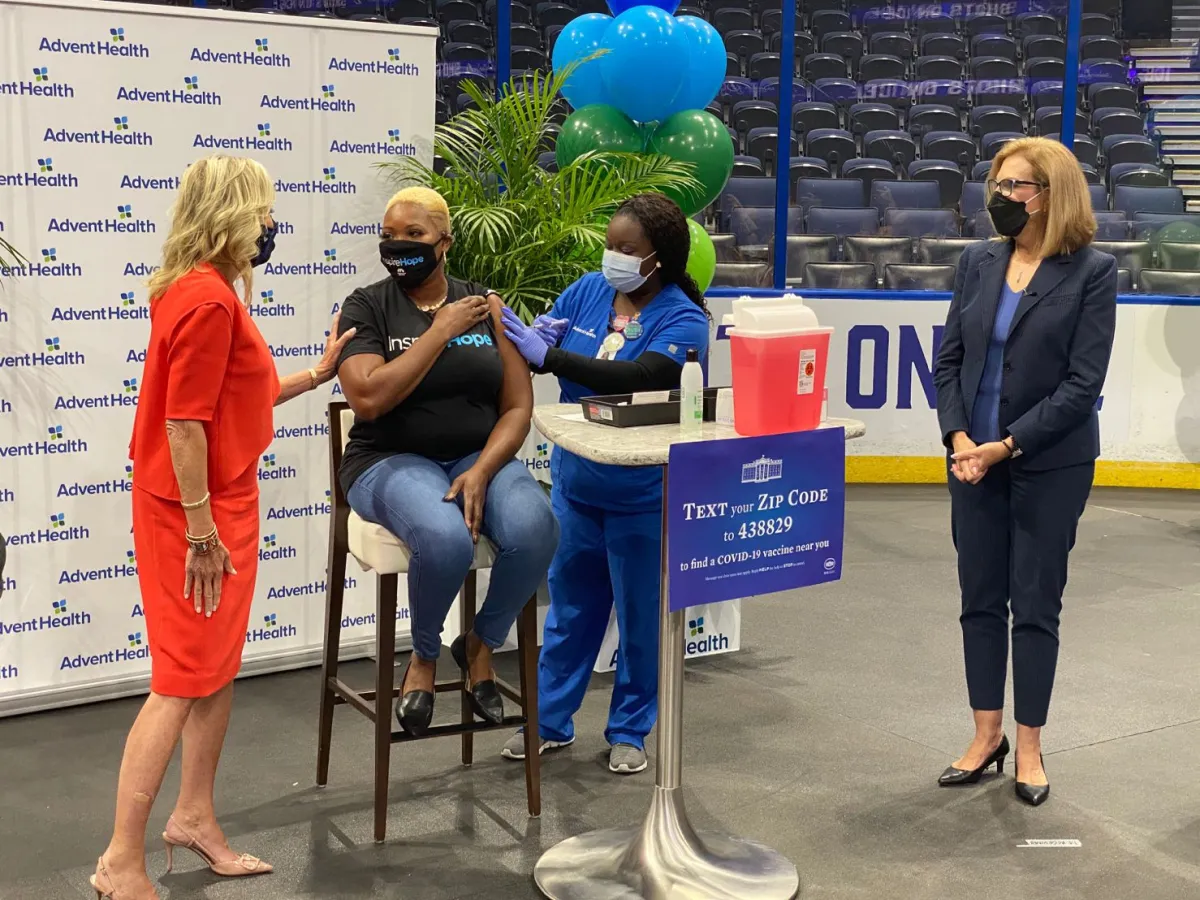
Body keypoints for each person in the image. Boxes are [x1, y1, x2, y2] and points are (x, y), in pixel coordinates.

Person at [93, 155, 355, 900]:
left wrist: (317, 373)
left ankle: (195, 817)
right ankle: (119, 859)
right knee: (181, 679)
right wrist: (203, 532)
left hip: (216, 500)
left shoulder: (203, 291)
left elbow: (233, 396)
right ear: (232, 214)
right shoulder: (206, 301)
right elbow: (183, 424)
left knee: (215, 670)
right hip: (193, 512)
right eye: (264, 211)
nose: (272, 225)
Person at [499, 193, 711, 775]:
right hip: (578, 482)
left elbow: (642, 378)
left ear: (658, 259)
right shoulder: (588, 291)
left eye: (627, 250)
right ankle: (549, 721)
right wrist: (534, 338)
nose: (612, 257)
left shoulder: (683, 318)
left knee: (642, 619)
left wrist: (554, 359)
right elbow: (546, 345)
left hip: (645, 493)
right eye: (610, 245)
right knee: (571, 608)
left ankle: (630, 731)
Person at [933, 137, 1117, 807]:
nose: (1002, 197)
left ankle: (1030, 746)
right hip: (969, 462)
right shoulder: (977, 262)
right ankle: (985, 738)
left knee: (1035, 606)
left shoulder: (1093, 272)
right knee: (979, 601)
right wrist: (959, 438)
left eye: (1018, 186)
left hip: (1048, 465)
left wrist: (1003, 446)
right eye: (999, 184)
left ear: (1052, 194)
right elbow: (948, 360)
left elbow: (1081, 384)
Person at [335, 186, 559, 737]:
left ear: (445, 242)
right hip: (385, 459)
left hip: (474, 456)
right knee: (444, 538)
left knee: (537, 528)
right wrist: (438, 333)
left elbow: (517, 406)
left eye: (414, 234)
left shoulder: (485, 304)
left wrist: (483, 468)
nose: (399, 244)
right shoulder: (366, 305)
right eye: (390, 234)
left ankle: (479, 643)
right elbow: (367, 398)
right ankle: (425, 657)